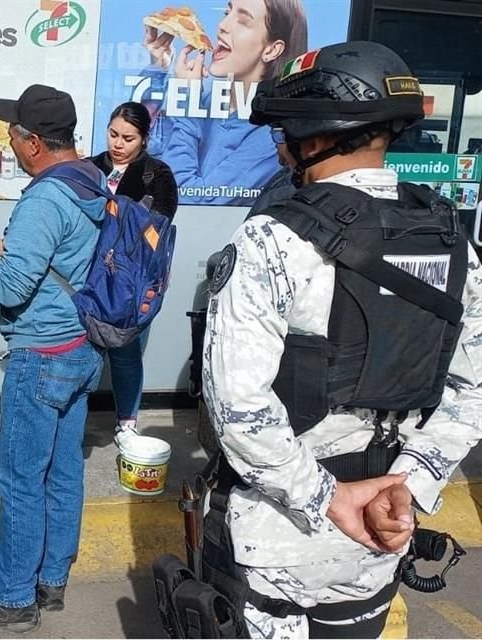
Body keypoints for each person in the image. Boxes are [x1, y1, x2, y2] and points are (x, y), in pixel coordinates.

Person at [202, 41, 482, 638]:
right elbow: (471, 390)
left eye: (285, 132)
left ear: (311, 138)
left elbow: (240, 409)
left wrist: (327, 497)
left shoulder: (272, 242)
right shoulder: (453, 242)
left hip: (283, 534)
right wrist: (409, 484)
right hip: (382, 531)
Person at [0, 84, 105, 632]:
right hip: (82, 348)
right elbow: (67, 258)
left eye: (13, 134)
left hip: (43, 355)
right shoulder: (93, 182)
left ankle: (11, 599)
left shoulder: (44, 197)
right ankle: (51, 582)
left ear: (33, 142)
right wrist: (7, 247)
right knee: (63, 472)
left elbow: (10, 290)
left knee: (20, 479)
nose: (9, 143)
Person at [142, 0, 307, 204]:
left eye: (243, 20)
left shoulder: (271, 136)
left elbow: (190, 200)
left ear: (272, 50)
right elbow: (149, 147)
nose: (223, 25)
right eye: (227, 13)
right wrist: (158, 67)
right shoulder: (206, 98)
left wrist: (188, 102)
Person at [89, 101, 177, 435]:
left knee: (125, 353)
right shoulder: (89, 167)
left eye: (128, 138)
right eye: (113, 134)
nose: (118, 144)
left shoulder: (157, 174)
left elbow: (161, 227)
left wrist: (122, 217)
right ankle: (72, 418)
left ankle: (127, 423)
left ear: (143, 139)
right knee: (83, 350)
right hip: (87, 274)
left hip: (131, 279)